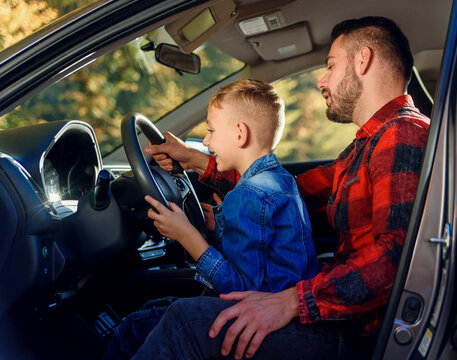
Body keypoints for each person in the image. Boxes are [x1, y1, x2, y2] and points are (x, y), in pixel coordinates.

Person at [106, 16, 430, 359]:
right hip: (335, 312)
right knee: (143, 322)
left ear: (363, 60)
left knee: (184, 322)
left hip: (357, 332)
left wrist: (292, 301)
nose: (322, 80)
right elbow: (288, 191)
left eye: (331, 66)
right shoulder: (365, 146)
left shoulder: (402, 134)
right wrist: (196, 161)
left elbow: (399, 257)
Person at [145, 79, 318, 294]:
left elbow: (240, 288)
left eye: (211, 130)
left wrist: (186, 236)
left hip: (261, 311)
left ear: (239, 134)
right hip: (287, 295)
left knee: (146, 319)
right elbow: (265, 244)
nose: (206, 141)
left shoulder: (246, 195)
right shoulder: (282, 180)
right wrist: (219, 224)